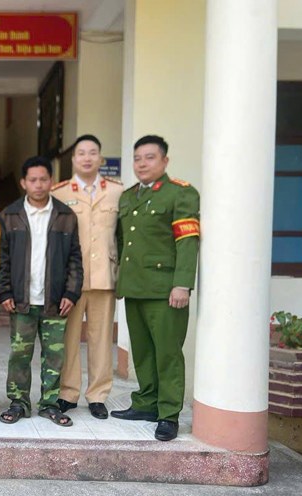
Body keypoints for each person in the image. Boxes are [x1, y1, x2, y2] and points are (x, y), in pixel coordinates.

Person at [111, 135, 200, 442]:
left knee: (167, 353)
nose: (142, 164)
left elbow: (187, 242)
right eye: (137, 158)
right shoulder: (128, 196)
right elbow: (123, 241)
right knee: (143, 352)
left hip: (165, 290)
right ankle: (147, 403)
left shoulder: (180, 193)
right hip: (134, 287)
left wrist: (182, 284)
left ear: (165, 161)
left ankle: (168, 414)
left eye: (150, 157)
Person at [0, 156, 83, 427]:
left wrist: (71, 294)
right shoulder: (9, 215)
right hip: (21, 301)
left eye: (43, 179)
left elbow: (75, 259)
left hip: (55, 301)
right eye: (32, 180)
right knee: (19, 355)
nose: (38, 184)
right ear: (24, 182)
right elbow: (2, 258)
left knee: (54, 356)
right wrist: (4, 292)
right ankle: (18, 403)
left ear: (51, 181)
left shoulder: (65, 216)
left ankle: (50, 404)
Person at [50, 135, 123, 420]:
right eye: (81, 153)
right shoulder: (59, 193)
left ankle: (97, 395)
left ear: (100, 158)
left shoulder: (117, 191)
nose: (87, 158)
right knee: (68, 338)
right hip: (71, 280)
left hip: (104, 276)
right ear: (73, 159)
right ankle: (68, 393)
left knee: (101, 339)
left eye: (93, 152)